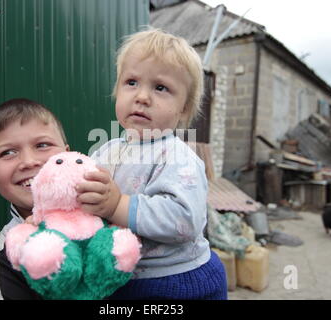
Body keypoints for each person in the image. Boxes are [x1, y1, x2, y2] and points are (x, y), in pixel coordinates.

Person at [76, 28, 228, 299]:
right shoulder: (106, 151)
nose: (142, 97)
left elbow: (184, 219)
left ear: (183, 108)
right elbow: (85, 195)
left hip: (174, 280)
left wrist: (117, 205)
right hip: (121, 275)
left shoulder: (177, 157)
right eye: (131, 82)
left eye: (160, 88)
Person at [0, 98, 70, 300]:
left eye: (42, 145)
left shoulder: (115, 216)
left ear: (68, 155)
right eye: (8, 152)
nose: (28, 161)